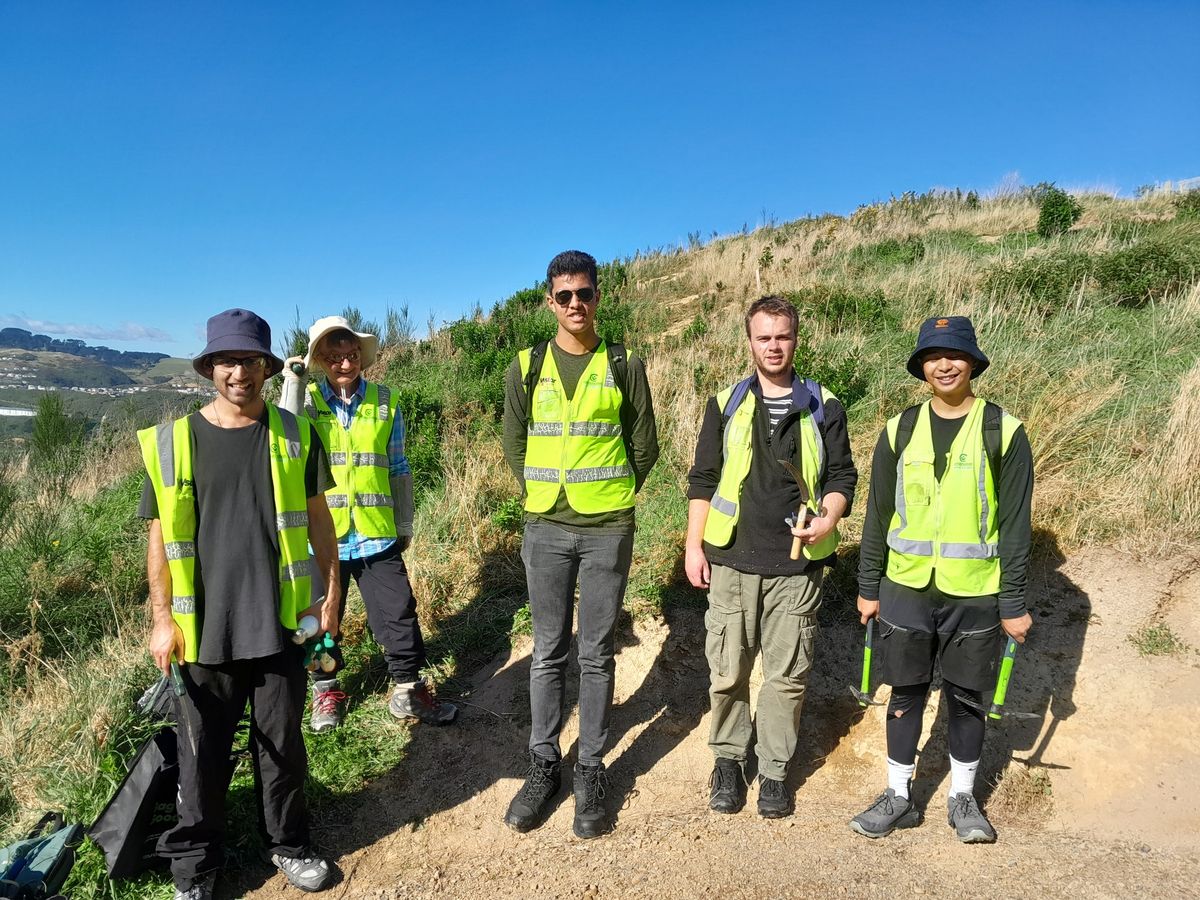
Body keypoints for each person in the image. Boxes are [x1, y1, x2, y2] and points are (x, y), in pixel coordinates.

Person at [138, 309, 340, 899]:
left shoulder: (296, 434)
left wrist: (328, 601)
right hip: (202, 631)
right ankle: (195, 869)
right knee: (202, 761)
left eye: (250, 361)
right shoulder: (173, 442)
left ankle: (289, 845)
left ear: (266, 368)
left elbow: (322, 524)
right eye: (227, 361)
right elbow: (158, 539)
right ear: (209, 369)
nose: (239, 373)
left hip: (283, 623)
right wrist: (159, 620)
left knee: (283, 749)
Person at [849, 315, 1034, 844]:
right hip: (904, 587)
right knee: (904, 693)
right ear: (922, 366)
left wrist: (1012, 601)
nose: (944, 364)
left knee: (966, 698)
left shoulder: (1004, 430)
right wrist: (867, 587)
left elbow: (1016, 525)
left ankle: (963, 799)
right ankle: (898, 797)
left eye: (954, 355)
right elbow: (877, 515)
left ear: (972, 362)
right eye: (933, 356)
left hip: (975, 592)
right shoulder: (899, 429)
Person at [500, 250, 659, 839]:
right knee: (547, 651)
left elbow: (645, 445)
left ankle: (590, 768)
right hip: (544, 527)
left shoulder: (623, 364)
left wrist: (615, 498)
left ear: (598, 297)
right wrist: (543, 494)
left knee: (595, 652)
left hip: (606, 529)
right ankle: (544, 765)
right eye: (564, 295)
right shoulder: (526, 365)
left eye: (584, 294)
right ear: (549, 301)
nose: (575, 305)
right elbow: (514, 440)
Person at [685, 295, 858, 818]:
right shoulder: (727, 403)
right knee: (728, 672)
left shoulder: (823, 404)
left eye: (782, 336)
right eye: (764, 337)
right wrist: (694, 545)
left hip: (797, 566)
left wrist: (828, 516)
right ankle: (728, 762)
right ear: (750, 341)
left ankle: (776, 771)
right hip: (732, 559)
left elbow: (842, 476)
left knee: (787, 676)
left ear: (796, 338)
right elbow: (703, 478)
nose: (774, 346)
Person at [281, 316, 457, 730]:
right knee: (320, 621)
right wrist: (293, 381)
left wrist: (405, 523)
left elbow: (398, 466)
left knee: (399, 612)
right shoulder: (307, 404)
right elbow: (285, 442)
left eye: (352, 354)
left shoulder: (385, 400)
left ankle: (407, 690)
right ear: (320, 360)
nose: (345, 363)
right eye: (335, 356)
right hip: (321, 536)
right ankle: (326, 692)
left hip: (376, 532)